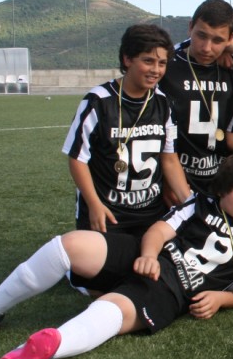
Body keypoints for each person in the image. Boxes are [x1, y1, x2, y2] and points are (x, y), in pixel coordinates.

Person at [0, 155, 233, 359]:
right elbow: (159, 229)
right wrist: (149, 255)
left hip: (172, 289)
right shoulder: (201, 203)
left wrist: (221, 298)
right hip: (145, 254)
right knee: (72, 244)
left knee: (111, 310)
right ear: (223, 190)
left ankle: (49, 345)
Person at [63, 24, 190, 236]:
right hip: (107, 212)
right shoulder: (98, 101)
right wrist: (94, 204)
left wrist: (190, 204)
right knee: (98, 268)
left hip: (151, 214)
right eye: (148, 61)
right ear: (127, 59)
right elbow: (77, 158)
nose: (156, 70)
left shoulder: (162, 103)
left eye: (162, 63)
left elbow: (169, 159)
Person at [160, 0, 233, 196]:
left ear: (230, 40)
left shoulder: (232, 73)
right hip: (172, 182)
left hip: (217, 186)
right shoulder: (166, 68)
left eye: (218, 40)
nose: (206, 48)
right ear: (190, 27)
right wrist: (165, 180)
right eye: (201, 36)